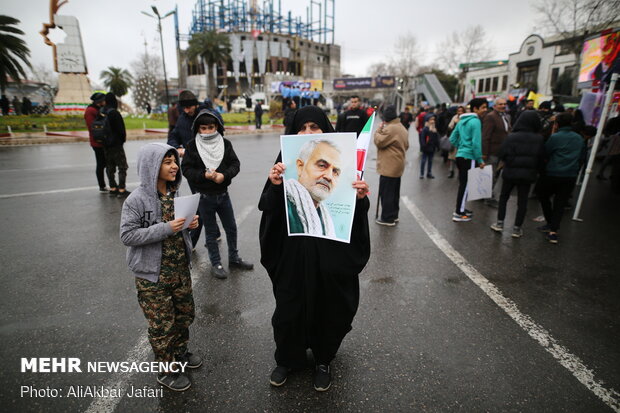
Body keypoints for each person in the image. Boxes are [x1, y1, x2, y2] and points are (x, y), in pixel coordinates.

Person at [259, 105, 370, 392]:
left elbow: (352, 216)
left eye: (315, 127)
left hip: (328, 260)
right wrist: (273, 186)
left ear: (326, 129)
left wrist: (360, 198)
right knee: (289, 309)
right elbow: (268, 211)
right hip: (292, 257)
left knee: (328, 309)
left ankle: (323, 360)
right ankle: (287, 359)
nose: (308, 132)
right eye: (302, 128)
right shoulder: (281, 168)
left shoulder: (342, 172)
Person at [120, 143, 202, 392]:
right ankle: (166, 369)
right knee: (162, 324)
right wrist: (166, 228)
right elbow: (128, 236)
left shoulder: (176, 193)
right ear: (151, 166)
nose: (174, 166)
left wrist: (190, 224)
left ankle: (180, 352)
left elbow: (180, 226)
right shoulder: (136, 200)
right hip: (152, 276)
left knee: (184, 314)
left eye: (174, 161)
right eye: (167, 162)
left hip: (179, 269)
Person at [181, 109, 253, 279]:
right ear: (197, 129)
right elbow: (186, 169)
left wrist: (224, 176)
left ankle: (234, 258)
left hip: (223, 194)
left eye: (211, 127)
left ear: (217, 127)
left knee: (231, 228)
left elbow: (235, 164)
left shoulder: (225, 144)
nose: (207, 131)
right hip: (204, 197)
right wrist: (203, 175)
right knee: (211, 232)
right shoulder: (192, 146)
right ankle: (216, 263)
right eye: (203, 128)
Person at [489, 111, 544, 238]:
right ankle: (517, 228)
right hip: (528, 173)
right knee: (523, 201)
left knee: (504, 197)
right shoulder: (539, 138)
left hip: (510, 171)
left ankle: (500, 223)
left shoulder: (511, 136)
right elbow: (542, 157)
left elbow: (502, 153)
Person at [536, 112, 586, 244]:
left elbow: (546, 153)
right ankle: (553, 231)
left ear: (557, 124)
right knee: (561, 202)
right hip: (570, 175)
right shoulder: (579, 138)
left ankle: (550, 222)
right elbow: (582, 157)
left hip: (552, 173)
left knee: (543, 196)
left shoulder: (555, 137)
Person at [285, 138, 341, 236]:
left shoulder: (324, 217)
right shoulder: (282, 203)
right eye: (322, 165)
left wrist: (360, 202)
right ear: (300, 167)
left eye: (335, 171)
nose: (329, 176)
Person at [449, 98, 487, 222]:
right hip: (469, 157)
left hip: (460, 155)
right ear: (475, 109)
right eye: (483, 107)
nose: (485, 110)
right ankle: (459, 212)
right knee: (465, 185)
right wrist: (480, 159)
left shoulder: (461, 121)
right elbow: (476, 143)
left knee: (463, 184)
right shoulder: (475, 121)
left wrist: (461, 147)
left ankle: (461, 208)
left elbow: (452, 138)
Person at [374, 104, 409, 226]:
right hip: (398, 164)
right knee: (394, 192)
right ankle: (394, 215)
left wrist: (378, 130)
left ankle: (387, 217)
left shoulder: (391, 128)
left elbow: (379, 141)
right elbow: (407, 145)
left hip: (389, 165)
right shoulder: (401, 127)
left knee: (387, 192)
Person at [482, 97, 511, 207]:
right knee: (490, 174)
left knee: (496, 175)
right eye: (500, 104)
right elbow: (486, 136)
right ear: (494, 106)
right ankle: (489, 198)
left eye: (504, 104)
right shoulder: (491, 117)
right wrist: (484, 152)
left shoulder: (505, 116)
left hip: (502, 151)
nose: (503, 106)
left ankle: (486, 195)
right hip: (492, 151)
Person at [103, 93, 130, 197]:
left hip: (105, 145)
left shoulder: (102, 112)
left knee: (110, 167)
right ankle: (122, 189)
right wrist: (122, 140)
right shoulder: (114, 113)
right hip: (116, 144)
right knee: (122, 166)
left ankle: (113, 188)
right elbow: (120, 130)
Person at [84, 92, 108, 192]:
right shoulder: (91, 111)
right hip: (97, 142)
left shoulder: (97, 109)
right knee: (101, 164)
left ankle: (104, 185)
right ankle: (102, 185)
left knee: (104, 163)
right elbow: (93, 127)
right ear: (99, 101)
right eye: (103, 100)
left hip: (102, 141)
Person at [446, 106, 465, 178]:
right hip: (454, 140)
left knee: (460, 158)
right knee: (452, 157)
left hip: (462, 141)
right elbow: (449, 127)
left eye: (461, 111)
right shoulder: (454, 118)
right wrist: (455, 124)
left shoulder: (465, 119)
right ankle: (451, 171)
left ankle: (460, 172)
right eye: (458, 111)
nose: (460, 112)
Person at [419, 114, 440, 179]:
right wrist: (423, 145)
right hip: (426, 148)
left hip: (432, 147)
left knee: (430, 161)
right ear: (427, 120)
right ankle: (422, 174)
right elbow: (422, 138)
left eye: (433, 119)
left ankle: (429, 173)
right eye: (431, 119)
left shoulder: (434, 129)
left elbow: (436, 138)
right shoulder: (425, 128)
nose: (433, 121)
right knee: (423, 161)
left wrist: (437, 146)